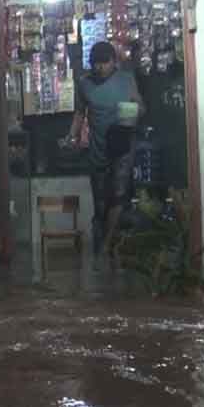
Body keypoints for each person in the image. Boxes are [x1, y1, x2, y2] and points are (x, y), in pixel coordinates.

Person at [64, 41, 145, 266]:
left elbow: (141, 106)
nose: (100, 68)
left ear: (113, 62)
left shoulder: (126, 80)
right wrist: (72, 135)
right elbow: (80, 113)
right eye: (96, 64)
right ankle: (102, 236)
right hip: (98, 148)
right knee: (101, 203)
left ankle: (109, 243)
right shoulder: (85, 84)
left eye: (104, 63)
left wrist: (133, 113)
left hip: (122, 145)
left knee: (119, 194)